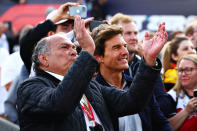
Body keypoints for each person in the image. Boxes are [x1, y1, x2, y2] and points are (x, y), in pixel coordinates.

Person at [17, 13, 166, 131]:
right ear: (44, 59)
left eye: (74, 48)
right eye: (65, 47)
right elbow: (60, 103)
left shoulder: (90, 87)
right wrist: (87, 51)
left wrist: (149, 60)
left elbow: (132, 102)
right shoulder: (30, 88)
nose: (73, 52)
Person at [92, 24, 172, 131]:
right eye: (116, 47)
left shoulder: (139, 85)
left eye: (124, 46)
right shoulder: (93, 92)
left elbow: (161, 123)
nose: (125, 52)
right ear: (99, 57)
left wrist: (150, 57)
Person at [109, 13, 171, 118]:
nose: (134, 38)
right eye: (128, 33)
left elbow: (163, 102)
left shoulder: (146, 64)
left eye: (135, 33)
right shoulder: (106, 67)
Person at [165, 54, 197, 131]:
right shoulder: (171, 96)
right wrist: (186, 111)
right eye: (180, 70)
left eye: (188, 70)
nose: (183, 74)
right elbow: (165, 128)